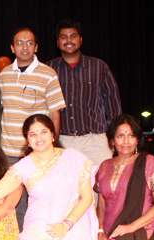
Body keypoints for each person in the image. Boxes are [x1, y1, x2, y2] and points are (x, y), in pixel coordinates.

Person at [0, 27, 66, 231]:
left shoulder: (48, 74)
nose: (24, 47)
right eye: (20, 43)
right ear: (12, 47)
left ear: (36, 47)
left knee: (38, 199)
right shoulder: (3, 75)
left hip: (36, 152)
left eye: (29, 43)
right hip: (8, 151)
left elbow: (55, 112)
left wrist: (50, 147)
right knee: (12, 202)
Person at [47, 19, 122, 169]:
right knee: (66, 190)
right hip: (62, 142)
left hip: (95, 141)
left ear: (81, 40)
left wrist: (111, 138)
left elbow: (113, 107)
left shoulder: (99, 67)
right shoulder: (48, 69)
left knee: (100, 188)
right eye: (63, 37)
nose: (69, 40)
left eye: (73, 36)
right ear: (57, 42)